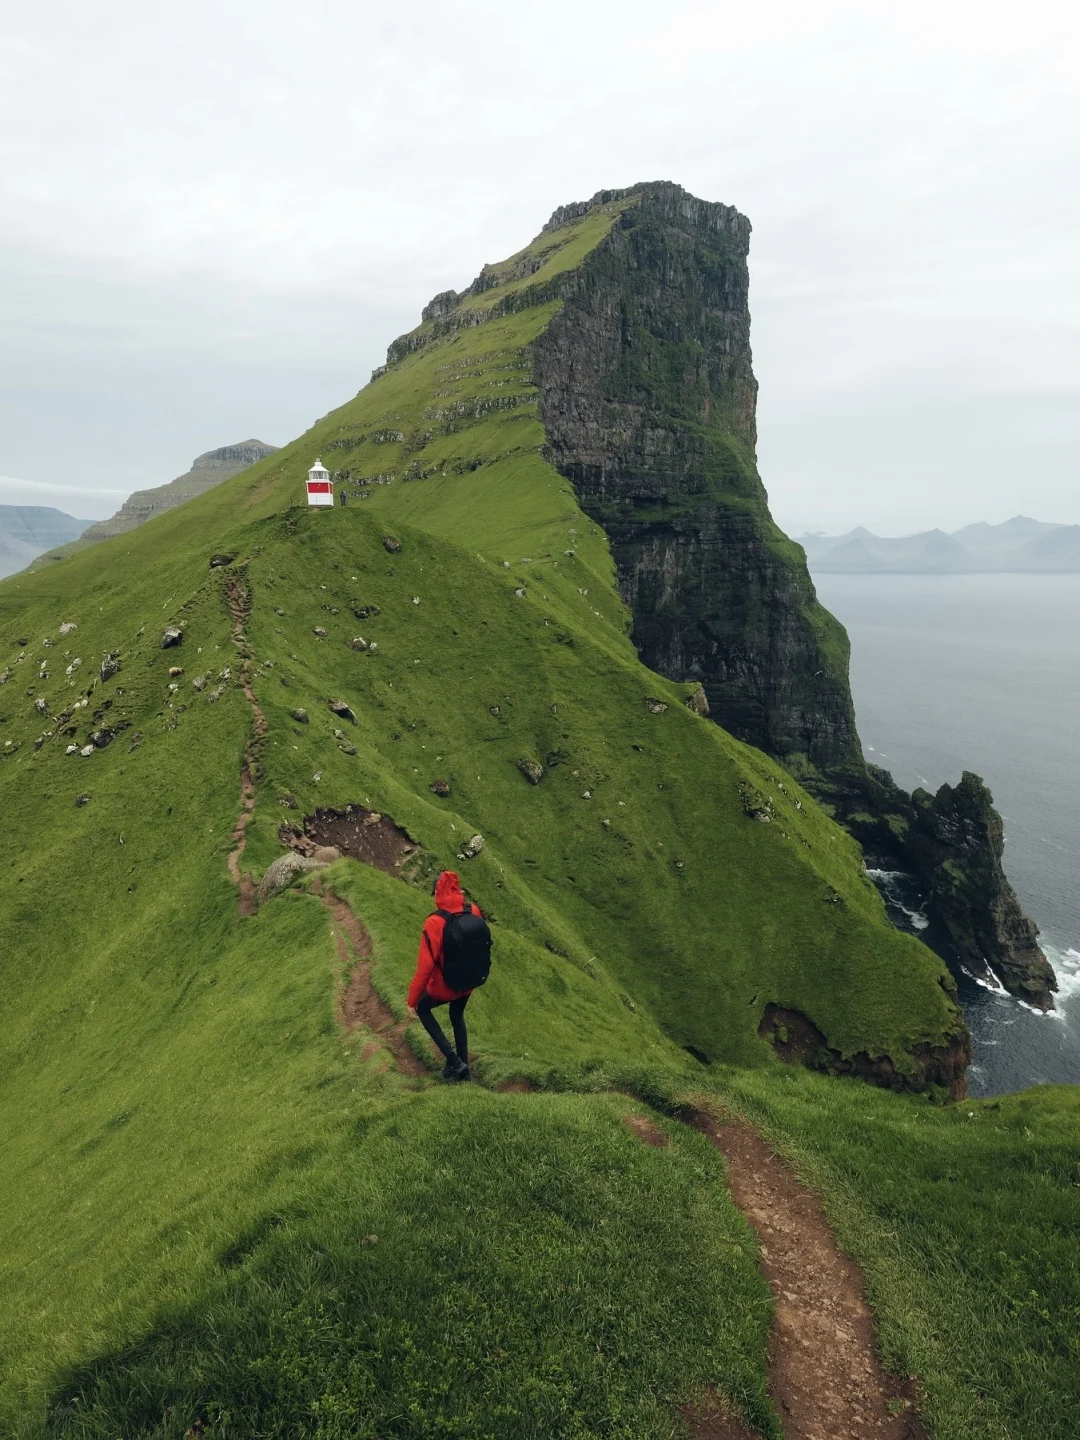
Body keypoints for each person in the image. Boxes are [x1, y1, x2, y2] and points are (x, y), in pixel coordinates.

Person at [407, 870, 482, 1081]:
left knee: (422, 1008)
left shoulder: (434, 922)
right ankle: (464, 1067)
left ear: (437, 893)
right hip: (469, 981)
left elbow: (425, 968)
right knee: (457, 1015)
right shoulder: (473, 910)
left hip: (445, 986)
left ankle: (454, 1061)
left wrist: (411, 1001)